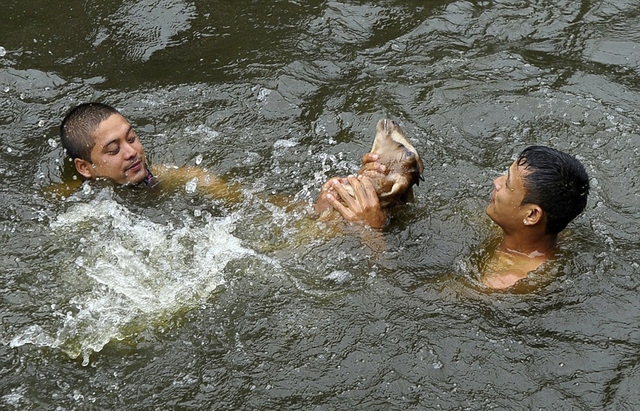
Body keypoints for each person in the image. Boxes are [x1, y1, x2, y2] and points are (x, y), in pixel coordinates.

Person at [320, 146, 590, 289]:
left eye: (507, 183)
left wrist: (371, 233)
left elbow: (406, 305)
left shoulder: (504, 282)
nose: (496, 182)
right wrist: (395, 190)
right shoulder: (552, 233)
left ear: (531, 215)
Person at [56, 102, 241, 201]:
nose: (131, 152)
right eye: (113, 150)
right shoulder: (69, 199)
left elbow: (222, 190)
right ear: (84, 168)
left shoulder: (162, 176)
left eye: (131, 139)